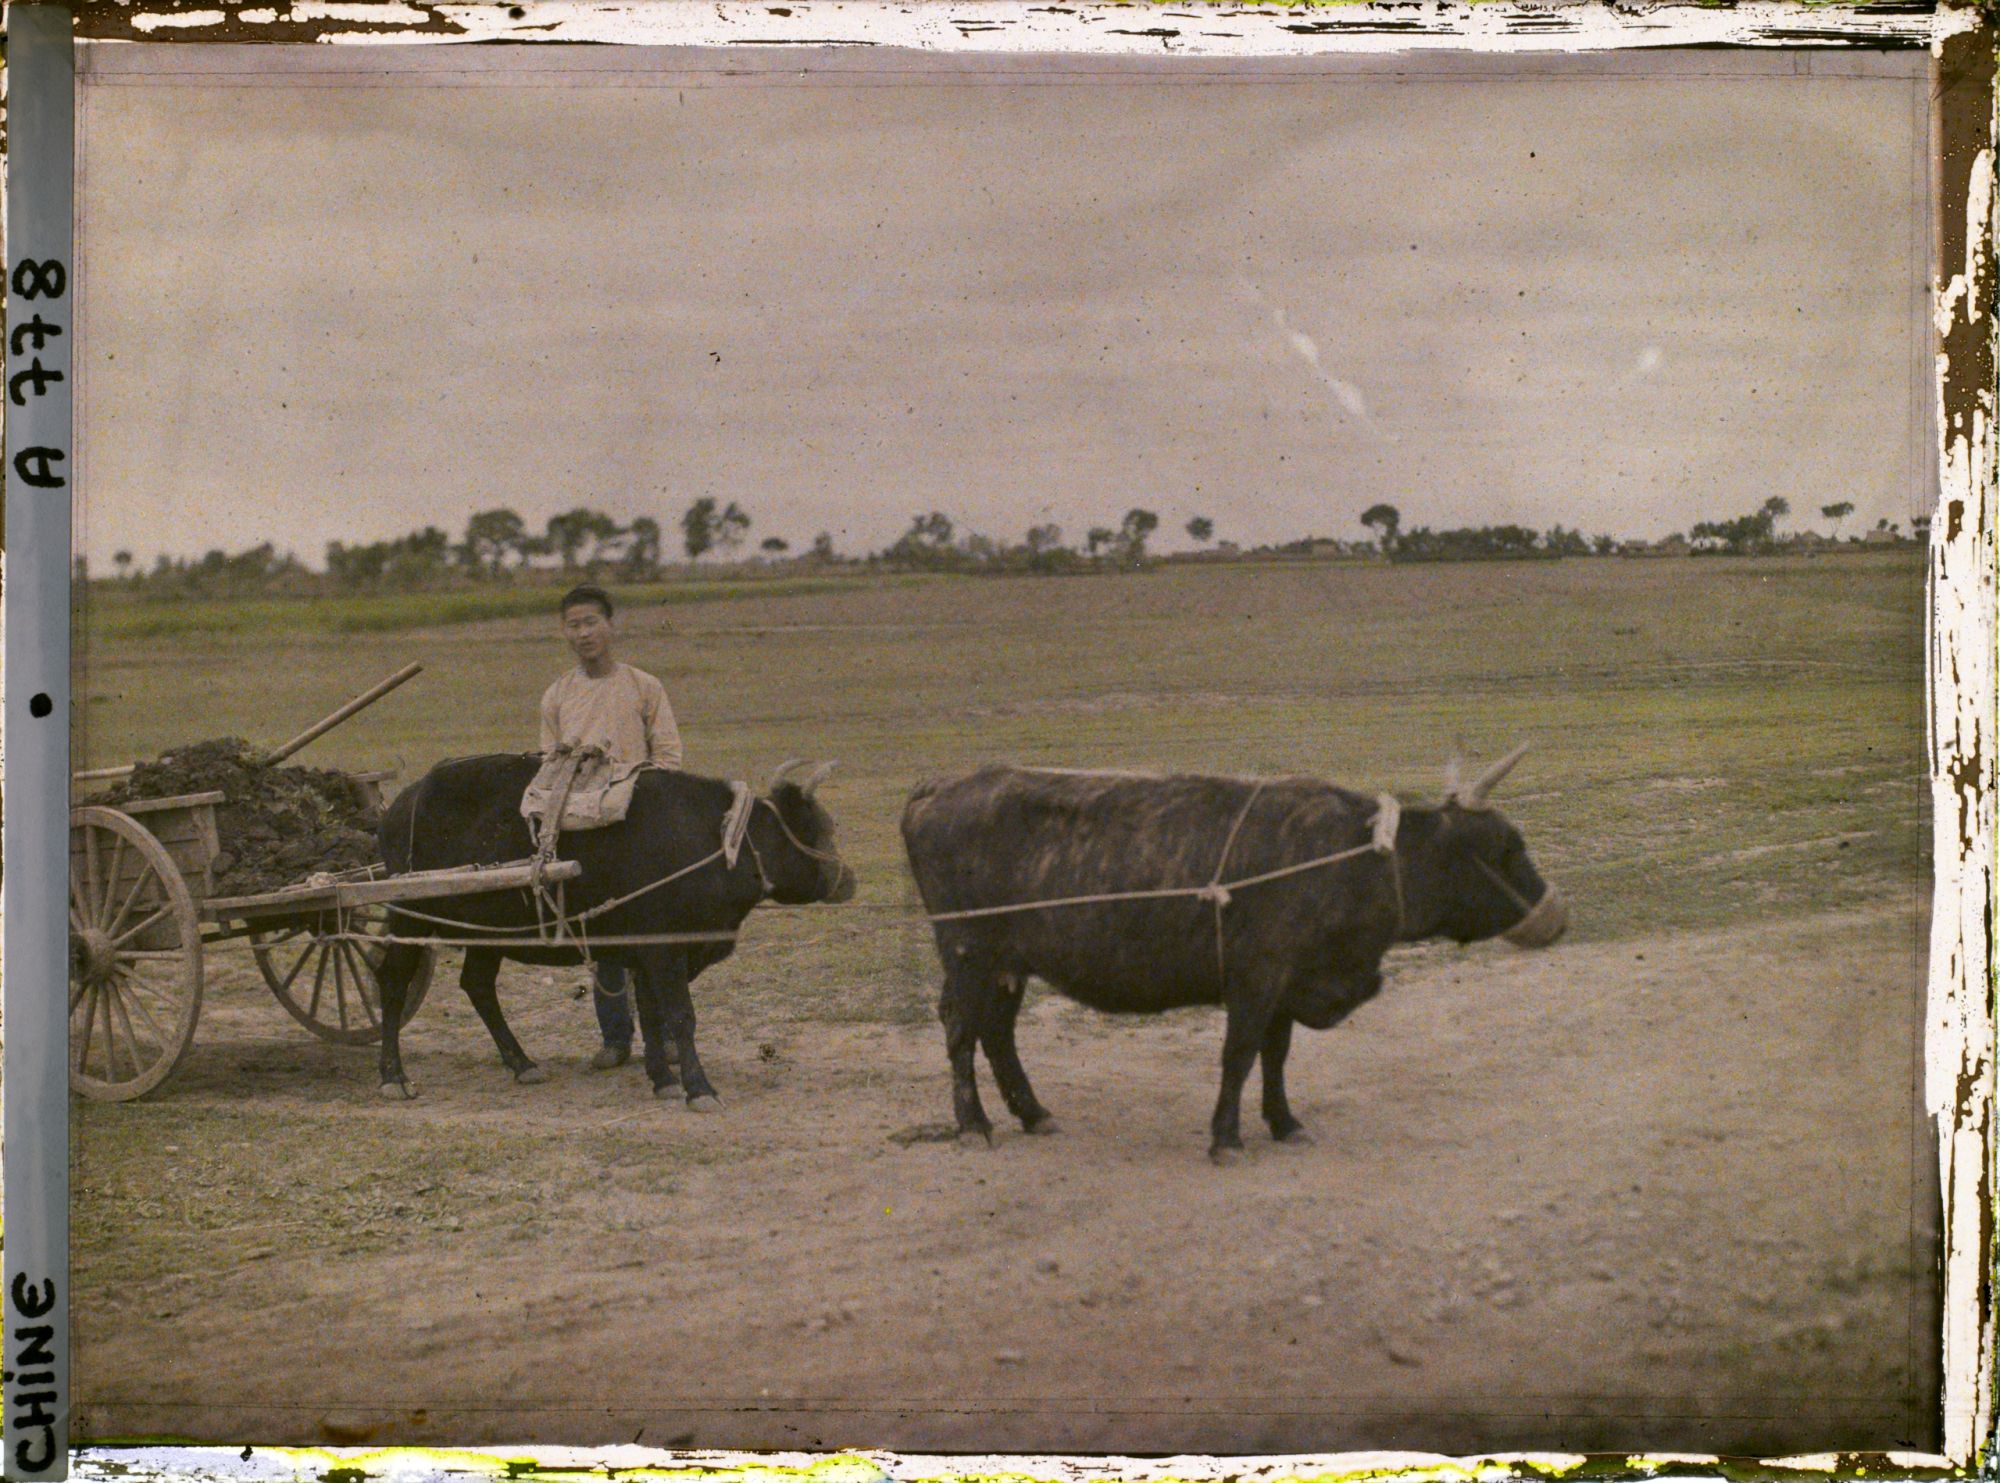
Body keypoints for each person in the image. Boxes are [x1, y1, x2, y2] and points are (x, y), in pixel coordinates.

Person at [539, 583, 683, 1069]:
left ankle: (661, 1039)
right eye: (573, 625)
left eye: (591, 622)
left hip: (637, 827)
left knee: (651, 935)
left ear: (611, 626)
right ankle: (615, 1039)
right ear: (565, 632)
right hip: (584, 829)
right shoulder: (558, 696)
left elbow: (668, 759)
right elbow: (550, 768)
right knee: (602, 936)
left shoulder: (644, 687)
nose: (583, 634)